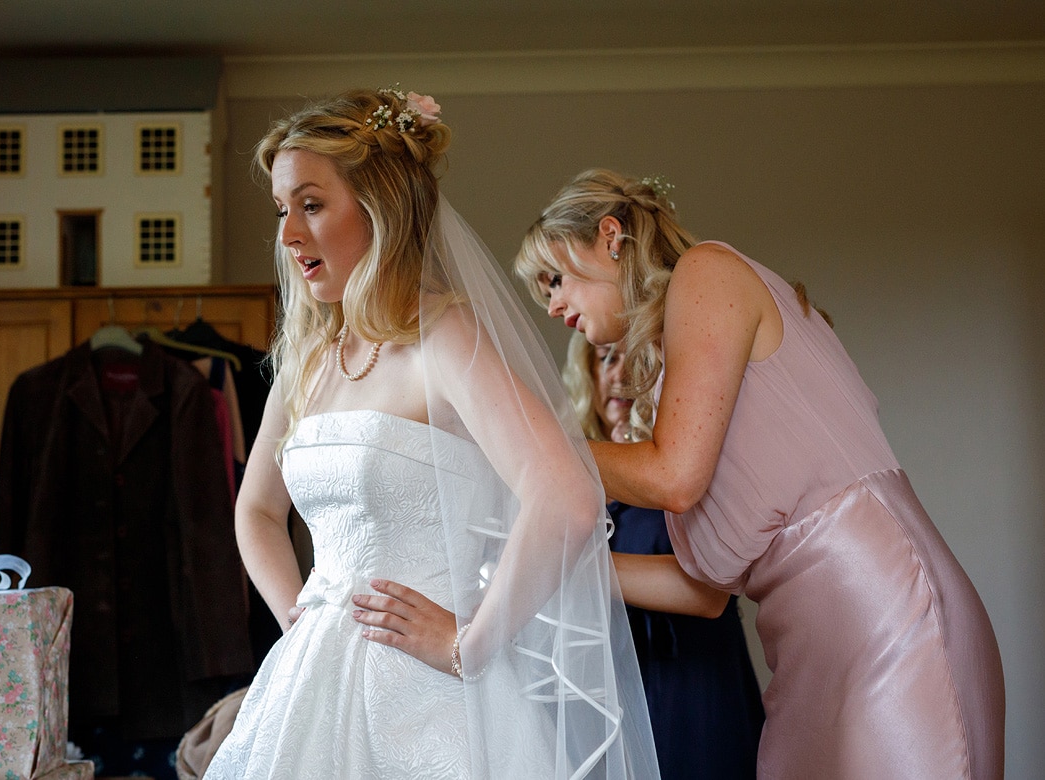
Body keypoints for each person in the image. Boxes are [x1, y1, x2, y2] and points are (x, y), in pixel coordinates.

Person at [204, 92, 660, 778]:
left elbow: (566, 496)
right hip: (312, 685)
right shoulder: (310, 360)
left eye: (312, 205)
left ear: (380, 206)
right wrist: (299, 617)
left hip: (432, 702)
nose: (288, 234)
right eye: (281, 211)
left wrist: (469, 644)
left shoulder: (444, 336)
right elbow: (258, 511)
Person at [515, 168, 1005, 778]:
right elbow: (701, 591)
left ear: (610, 236)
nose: (555, 305)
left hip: (884, 613)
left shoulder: (707, 272)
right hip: (810, 647)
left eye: (556, 280)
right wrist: (558, 568)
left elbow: (672, 475)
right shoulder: (679, 363)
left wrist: (523, 446)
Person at [563, 330, 765, 779]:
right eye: (605, 359)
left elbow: (709, 591)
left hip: (695, 685)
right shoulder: (575, 486)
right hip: (614, 690)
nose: (617, 374)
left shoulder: (686, 468)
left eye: (629, 359)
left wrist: (570, 573)